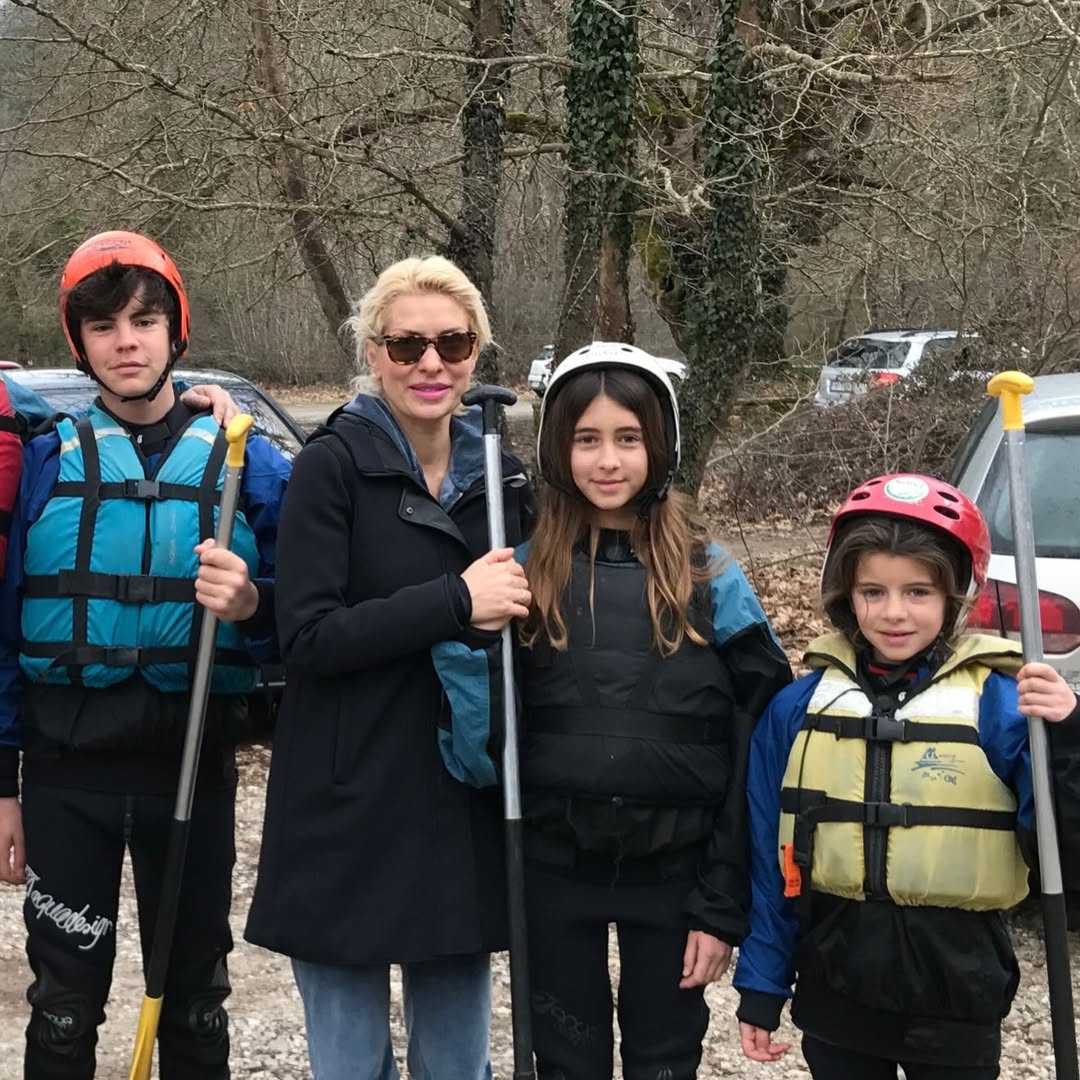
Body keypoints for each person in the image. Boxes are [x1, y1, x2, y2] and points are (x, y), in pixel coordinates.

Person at [434, 342, 792, 1080]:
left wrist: (720, 904)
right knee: (568, 1061)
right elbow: (480, 751)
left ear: (660, 446)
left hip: (675, 877)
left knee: (664, 1060)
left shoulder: (711, 577)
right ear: (558, 450)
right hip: (552, 870)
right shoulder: (521, 572)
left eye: (628, 438)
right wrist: (467, 644)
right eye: (586, 439)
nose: (607, 461)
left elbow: (759, 746)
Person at [0, 229, 291, 1080]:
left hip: (191, 767)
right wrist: (4, 784)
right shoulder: (45, 459)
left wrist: (255, 606)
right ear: (79, 342)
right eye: (103, 326)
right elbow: (8, 629)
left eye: (144, 321)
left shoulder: (244, 459)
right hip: (68, 776)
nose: (126, 342)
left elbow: (312, 605)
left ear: (176, 331)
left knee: (196, 1005)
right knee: (62, 1011)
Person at [244, 255, 534, 1080]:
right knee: (349, 1064)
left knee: (458, 1065)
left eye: (453, 343)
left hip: (457, 803)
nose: (430, 364)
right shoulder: (329, 467)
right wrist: (454, 601)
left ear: (476, 351)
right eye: (406, 345)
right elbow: (308, 637)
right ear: (374, 353)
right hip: (345, 800)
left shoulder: (502, 476)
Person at [734, 473, 1080, 1079]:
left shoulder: (1000, 707)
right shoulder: (798, 709)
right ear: (847, 595)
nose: (894, 612)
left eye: (918, 592)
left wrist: (1069, 734)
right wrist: (762, 984)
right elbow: (769, 857)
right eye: (873, 591)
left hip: (958, 998)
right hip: (837, 994)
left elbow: (1067, 841)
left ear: (954, 596)